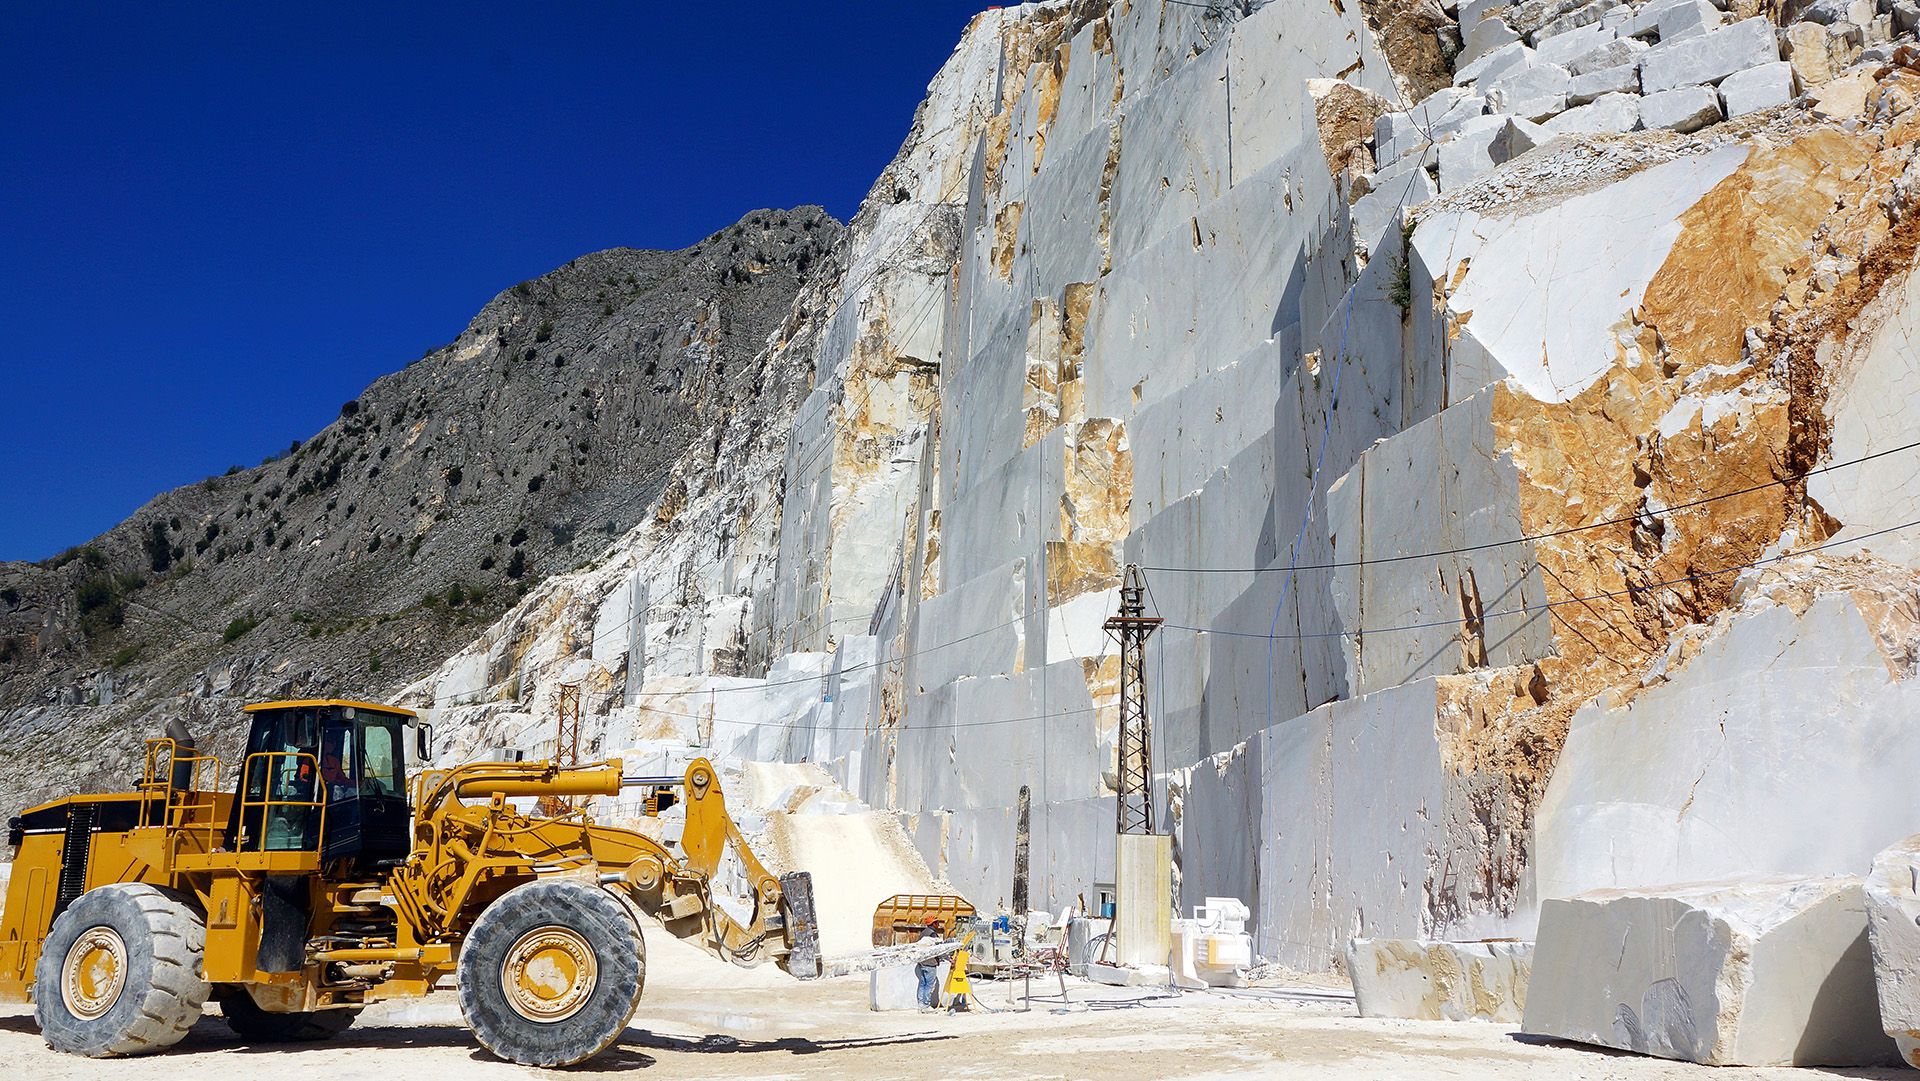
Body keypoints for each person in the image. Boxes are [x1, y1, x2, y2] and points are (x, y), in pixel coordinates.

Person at [914, 918, 943, 1010]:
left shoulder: (923, 933)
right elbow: (938, 949)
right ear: (933, 924)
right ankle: (926, 1005)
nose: (938, 924)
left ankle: (921, 1004)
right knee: (929, 984)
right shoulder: (932, 934)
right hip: (930, 963)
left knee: (923, 983)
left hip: (922, 962)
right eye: (937, 923)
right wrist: (949, 959)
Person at [945, 936, 973, 1013]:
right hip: (957, 972)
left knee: (965, 988)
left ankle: (963, 1000)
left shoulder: (961, 954)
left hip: (960, 971)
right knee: (960, 988)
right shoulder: (957, 954)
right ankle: (960, 1001)